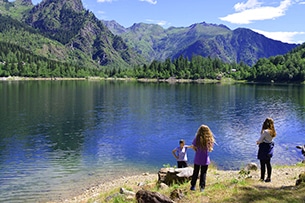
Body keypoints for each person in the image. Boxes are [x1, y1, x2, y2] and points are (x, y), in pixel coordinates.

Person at [190, 125, 215, 192]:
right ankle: (202, 187)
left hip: (197, 159)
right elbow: (210, 148)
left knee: (195, 172)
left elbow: (193, 146)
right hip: (205, 160)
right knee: (203, 173)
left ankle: (193, 186)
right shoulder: (209, 139)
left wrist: (196, 150)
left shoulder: (197, 138)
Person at [256, 117, 276, 182]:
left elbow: (259, 141)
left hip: (263, 148)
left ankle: (262, 178)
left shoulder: (265, 132)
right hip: (269, 148)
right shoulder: (272, 131)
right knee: (268, 163)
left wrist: (257, 142)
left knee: (262, 164)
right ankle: (269, 177)